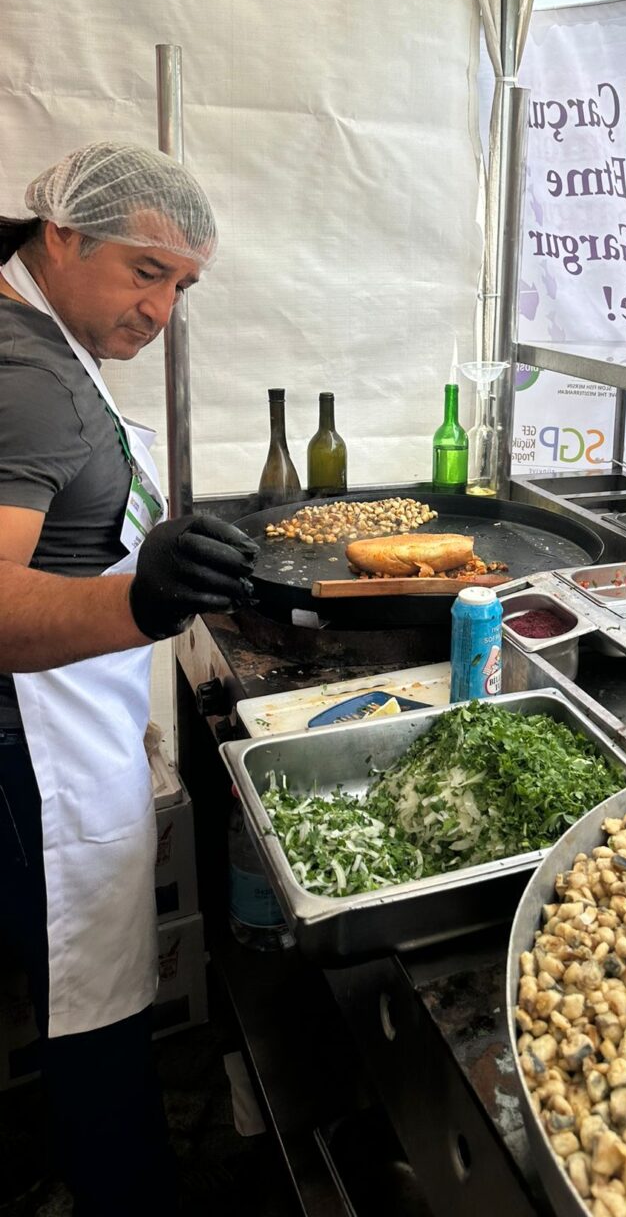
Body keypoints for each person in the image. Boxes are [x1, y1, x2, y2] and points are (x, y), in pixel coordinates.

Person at [0, 142, 257, 1214]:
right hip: (33, 749)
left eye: (182, 285)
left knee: (76, 978)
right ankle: (127, 1189)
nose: (161, 308)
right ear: (61, 235)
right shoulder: (26, 381)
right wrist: (144, 603)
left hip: (65, 716)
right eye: (144, 270)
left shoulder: (42, 335)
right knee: (87, 987)